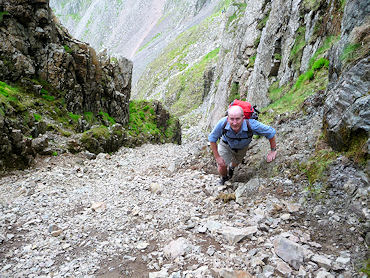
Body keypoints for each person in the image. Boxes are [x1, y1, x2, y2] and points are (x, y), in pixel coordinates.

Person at [208, 105, 277, 185]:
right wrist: (217, 157)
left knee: (236, 162)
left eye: (237, 119)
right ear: (228, 118)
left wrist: (273, 150)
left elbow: (271, 132)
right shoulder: (222, 123)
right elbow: (212, 139)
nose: (234, 123)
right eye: (231, 119)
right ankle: (224, 178)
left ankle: (232, 168)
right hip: (225, 145)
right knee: (221, 165)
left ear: (243, 118)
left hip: (242, 148)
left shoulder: (252, 125)